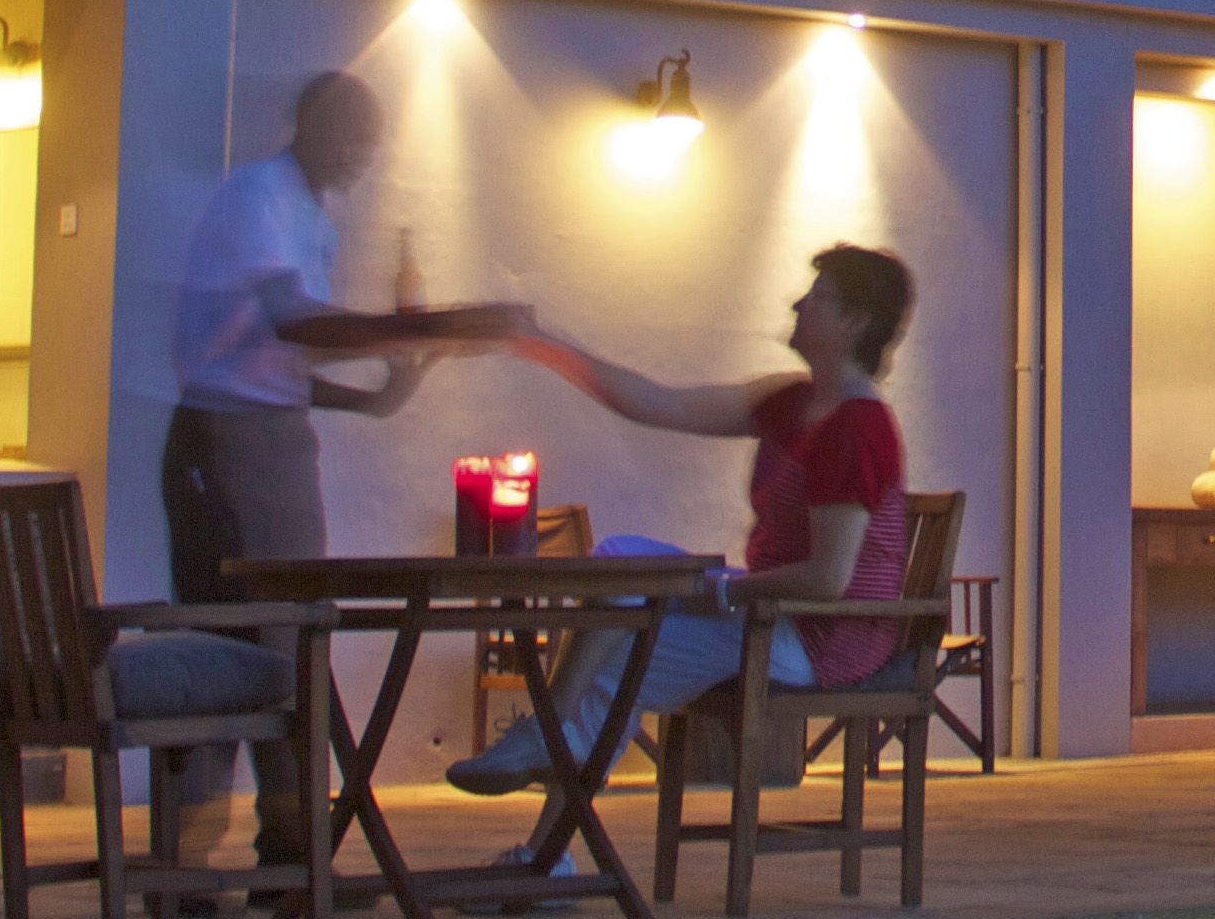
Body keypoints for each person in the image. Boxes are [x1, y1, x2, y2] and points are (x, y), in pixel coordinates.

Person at [449, 242, 917, 795]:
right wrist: (545, 345)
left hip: (818, 638)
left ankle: (548, 772)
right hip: (767, 609)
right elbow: (656, 403)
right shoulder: (791, 402)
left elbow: (828, 579)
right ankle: (550, 756)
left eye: (817, 297)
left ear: (855, 322)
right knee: (618, 561)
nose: (797, 305)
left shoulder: (856, 428)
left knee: (616, 647)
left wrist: (721, 594)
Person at [166, 71, 479, 865]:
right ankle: (205, 857)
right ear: (308, 124)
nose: (357, 156)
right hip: (228, 440)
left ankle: (283, 850)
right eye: (347, 136)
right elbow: (293, 321)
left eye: (367, 143)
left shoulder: (314, 216)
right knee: (236, 642)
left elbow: (287, 359)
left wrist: (374, 398)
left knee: (287, 640)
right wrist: (402, 333)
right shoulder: (259, 197)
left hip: (275, 432)